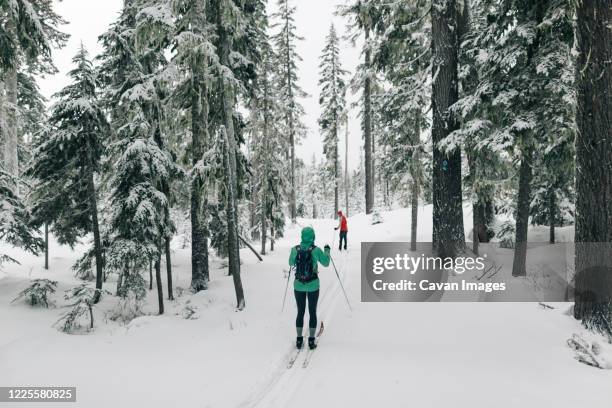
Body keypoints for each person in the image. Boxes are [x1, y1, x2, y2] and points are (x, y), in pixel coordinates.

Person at [288, 226, 330, 350]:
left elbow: (290, 263)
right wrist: (327, 251)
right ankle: (311, 340)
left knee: (300, 312)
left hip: (298, 285)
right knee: (312, 312)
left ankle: (299, 340)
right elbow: (326, 263)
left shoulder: (295, 249)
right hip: (313, 285)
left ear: (302, 236)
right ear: (313, 237)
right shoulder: (316, 250)